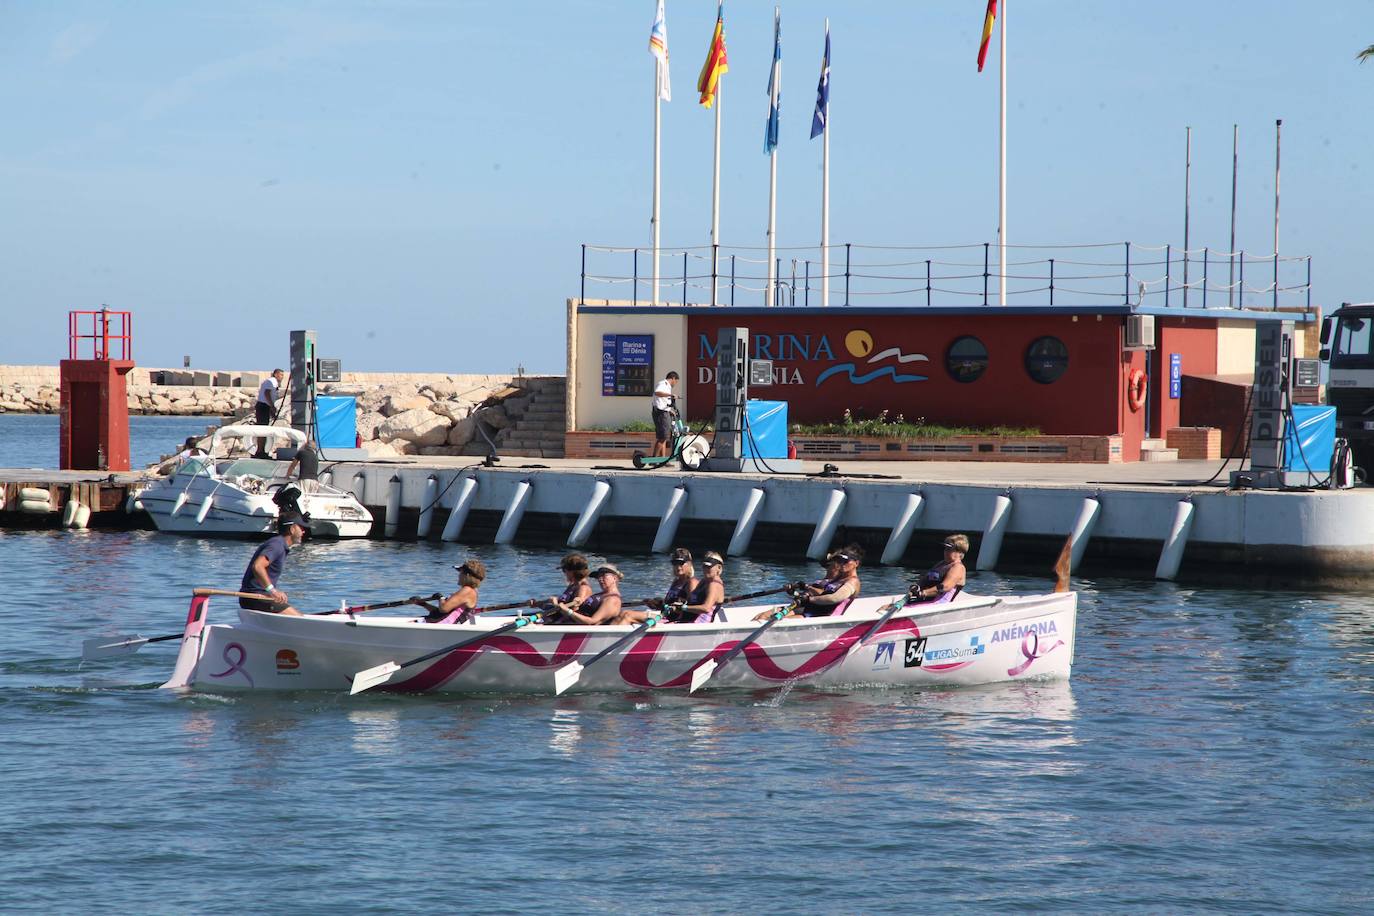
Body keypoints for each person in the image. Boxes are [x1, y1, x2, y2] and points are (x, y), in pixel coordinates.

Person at [239, 512, 309, 615]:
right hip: (254, 598)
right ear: (292, 529)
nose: (303, 531)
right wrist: (273, 591)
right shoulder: (277, 544)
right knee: (300, 620)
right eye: (301, 528)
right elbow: (257, 566)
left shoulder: (279, 544)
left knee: (299, 616)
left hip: (257, 597)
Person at [616, 547, 695, 625]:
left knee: (627, 615)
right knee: (623, 614)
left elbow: (692, 610)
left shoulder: (691, 583)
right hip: (665, 617)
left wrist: (677, 609)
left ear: (689, 564)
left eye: (681, 563)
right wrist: (655, 604)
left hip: (674, 622)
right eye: (675, 563)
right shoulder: (676, 582)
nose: (678, 567)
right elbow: (667, 605)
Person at [413, 560, 487, 624]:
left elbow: (443, 609)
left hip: (441, 625)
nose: (458, 575)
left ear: (466, 575)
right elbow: (442, 613)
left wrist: (441, 598)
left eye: (460, 572)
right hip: (441, 623)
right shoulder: (472, 591)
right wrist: (424, 604)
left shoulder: (467, 590)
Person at [667, 550, 726, 624]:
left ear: (719, 568)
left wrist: (683, 607)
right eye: (704, 566)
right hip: (688, 621)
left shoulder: (714, 585)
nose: (705, 569)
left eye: (709, 567)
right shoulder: (704, 581)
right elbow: (691, 603)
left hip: (699, 624)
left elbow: (706, 608)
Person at [554, 564, 624, 625]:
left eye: (604, 575)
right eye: (599, 576)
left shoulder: (613, 600)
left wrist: (568, 611)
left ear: (614, 578)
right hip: (567, 622)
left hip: (577, 630)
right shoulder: (601, 594)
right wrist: (579, 601)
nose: (600, 579)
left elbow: (592, 622)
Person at [908, 534, 968, 604]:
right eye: (945, 548)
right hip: (925, 601)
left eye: (949, 549)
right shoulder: (941, 564)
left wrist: (923, 593)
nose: (945, 551)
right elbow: (925, 579)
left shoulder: (958, 567)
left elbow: (946, 586)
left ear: (960, 552)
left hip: (940, 604)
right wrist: (916, 587)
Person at [535, 553, 594, 623]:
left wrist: (555, 604)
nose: (564, 573)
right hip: (558, 619)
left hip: (569, 625)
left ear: (572, 572)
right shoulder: (573, 585)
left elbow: (573, 616)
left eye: (564, 570)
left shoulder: (583, 588)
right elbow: (559, 609)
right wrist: (538, 604)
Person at [254, 368, 286, 458]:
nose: (282, 377)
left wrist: (271, 410)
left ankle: (261, 450)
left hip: (264, 406)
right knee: (262, 429)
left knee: (263, 429)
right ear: (275, 374)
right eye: (280, 375)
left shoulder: (272, 382)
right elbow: (267, 393)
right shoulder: (272, 381)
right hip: (263, 406)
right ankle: (260, 451)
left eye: (283, 375)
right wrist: (272, 406)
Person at [650, 371, 680, 458]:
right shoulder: (663, 384)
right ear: (673, 378)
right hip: (661, 413)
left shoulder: (667, 387)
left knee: (663, 437)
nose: (675, 383)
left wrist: (670, 410)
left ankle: (663, 460)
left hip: (663, 411)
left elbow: (663, 401)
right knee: (663, 437)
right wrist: (671, 394)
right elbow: (657, 392)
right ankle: (654, 459)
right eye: (676, 381)